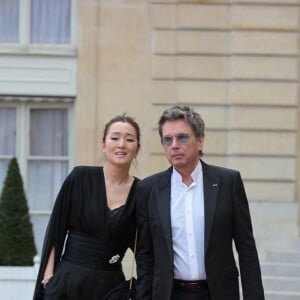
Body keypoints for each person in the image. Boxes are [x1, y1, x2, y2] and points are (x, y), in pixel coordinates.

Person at [135, 105, 265, 300]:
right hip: (170, 294)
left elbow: (246, 248)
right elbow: (145, 256)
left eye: (182, 137)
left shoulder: (228, 183)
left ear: (200, 140)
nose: (174, 145)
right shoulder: (149, 189)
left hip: (217, 294)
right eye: (167, 140)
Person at [33, 114, 141, 300]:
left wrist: (139, 290)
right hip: (66, 284)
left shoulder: (142, 192)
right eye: (114, 138)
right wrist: (48, 278)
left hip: (110, 290)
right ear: (103, 144)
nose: (121, 144)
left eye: (129, 139)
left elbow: (146, 248)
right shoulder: (79, 178)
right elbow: (56, 230)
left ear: (137, 148)